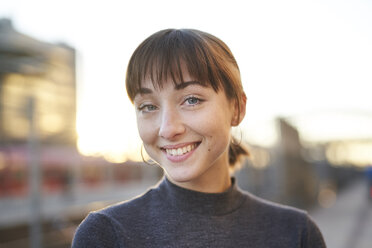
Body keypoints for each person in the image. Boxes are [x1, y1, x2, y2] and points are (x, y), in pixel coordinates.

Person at [72, 29, 326, 248]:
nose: (168, 129)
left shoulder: (297, 233)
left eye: (191, 100)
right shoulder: (105, 235)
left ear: (237, 108)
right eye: (148, 107)